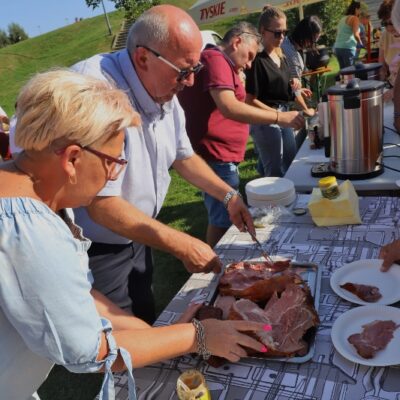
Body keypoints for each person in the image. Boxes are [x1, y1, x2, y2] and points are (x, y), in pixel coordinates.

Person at [0, 69, 269, 400]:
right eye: (112, 162)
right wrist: (196, 336)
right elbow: (88, 350)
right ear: (72, 158)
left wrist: (158, 336)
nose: (114, 174)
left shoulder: (29, 192)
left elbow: (75, 295)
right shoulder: (28, 231)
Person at [67, 5, 258, 323]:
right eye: (184, 71)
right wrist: (180, 243)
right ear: (143, 57)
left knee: (144, 315)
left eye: (195, 68)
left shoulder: (163, 87)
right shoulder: (94, 90)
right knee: (116, 339)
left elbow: (182, 155)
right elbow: (100, 203)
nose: (191, 81)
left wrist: (229, 196)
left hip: (138, 233)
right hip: (97, 244)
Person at [178, 21, 304, 247]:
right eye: (249, 56)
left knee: (225, 215)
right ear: (236, 42)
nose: (249, 64)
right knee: (223, 220)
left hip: (223, 156)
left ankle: (219, 266)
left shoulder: (224, 64)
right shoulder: (216, 58)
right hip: (216, 156)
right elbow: (229, 106)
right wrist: (279, 117)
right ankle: (216, 269)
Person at [245, 5, 306, 178]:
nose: (282, 37)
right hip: (265, 121)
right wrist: (277, 115)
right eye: (277, 33)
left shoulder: (281, 55)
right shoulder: (256, 60)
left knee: (291, 161)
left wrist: (294, 85)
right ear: (263, 31)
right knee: (274, 172)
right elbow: (249, 100)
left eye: (284, 32)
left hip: (283, 113)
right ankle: (272, 204)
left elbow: (281, 84)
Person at [281, 15, 323, 116]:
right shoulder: (292, 56)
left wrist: (300, 89)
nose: (313, 44)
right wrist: (307, 110)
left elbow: (289, 83)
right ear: (305, 35)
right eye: (313, 40)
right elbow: (294, 90)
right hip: (284, 108)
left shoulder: (287, 42)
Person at [378, 0, 400, 102]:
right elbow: (381, 65)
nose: (388, 28)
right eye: (384, 23)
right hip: (393, 86)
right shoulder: (385, 36)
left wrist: (393, 92)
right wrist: (380, 84)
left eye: (391, 22)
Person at [333, 1, 363, 69]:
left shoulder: (342, 19)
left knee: (344, 72)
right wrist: (361, 43)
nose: (360, 12)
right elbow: (356, 34)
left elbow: (337, 33)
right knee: (351, 72)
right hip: (347, 48)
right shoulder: (354, 18)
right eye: (359, 9)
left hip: (338, 48)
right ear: (356, 9)